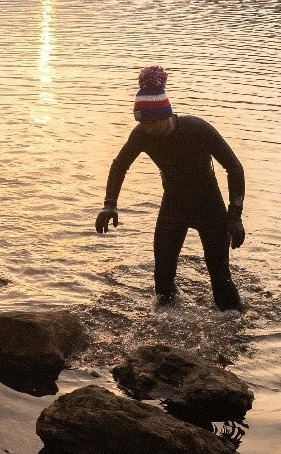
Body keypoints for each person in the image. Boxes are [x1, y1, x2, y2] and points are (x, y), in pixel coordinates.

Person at [95, 66, 246, 311]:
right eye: (142, 123)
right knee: (162, 278)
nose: (147, 129)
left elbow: (234, 167)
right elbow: (119, 165)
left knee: (220, 279)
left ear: (167, 114)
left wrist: (235, 216)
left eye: (152, 123)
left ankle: (237, 330)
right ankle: (165, 333)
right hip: (173, 207)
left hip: (209, 209)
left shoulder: (197, 129)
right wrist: (109, 204)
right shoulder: (142, 134)